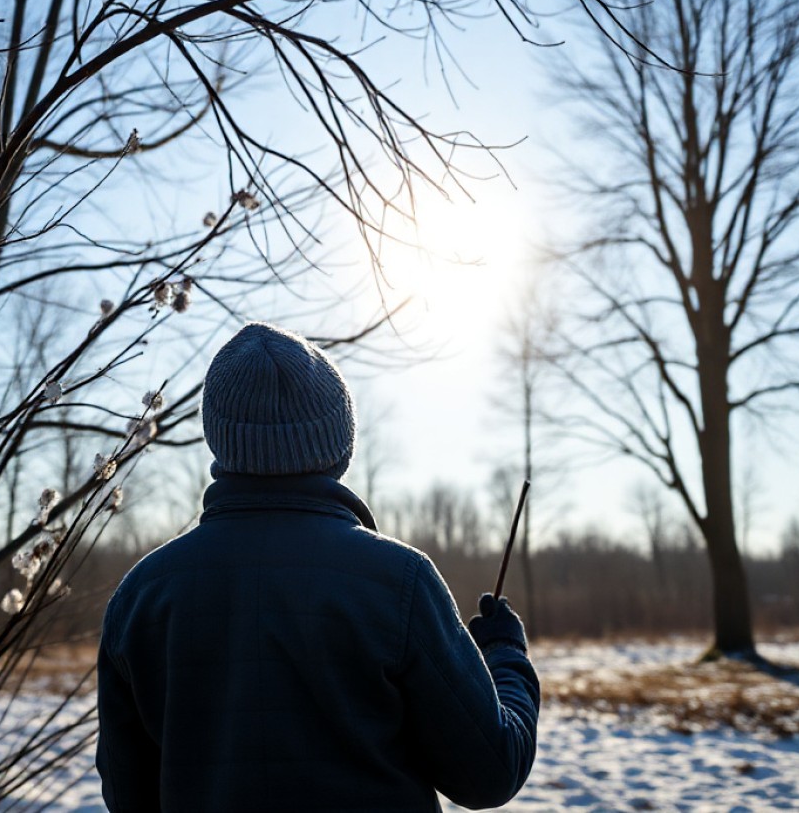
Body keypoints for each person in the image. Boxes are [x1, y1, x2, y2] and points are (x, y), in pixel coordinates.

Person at [96, 322, 540, 812]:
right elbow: (490, 773)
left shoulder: (141, 596)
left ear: (220, 440)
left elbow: (126, 796)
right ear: (339, 444)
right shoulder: (399, 582)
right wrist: (504, 653)